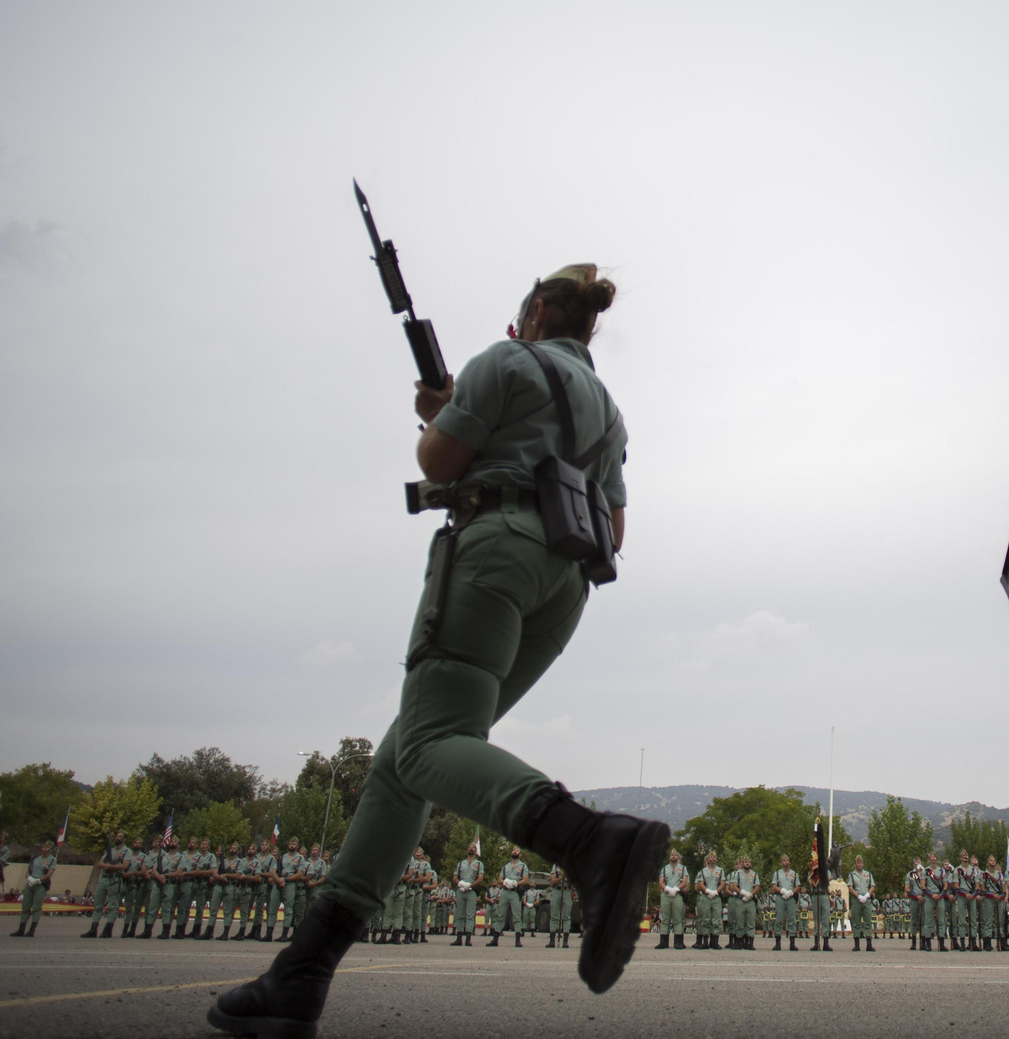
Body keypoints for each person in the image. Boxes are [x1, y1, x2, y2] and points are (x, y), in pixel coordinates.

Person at [209, 265, 670, 1037]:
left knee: (427, 743)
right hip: (563, 589)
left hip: (494, 552)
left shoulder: (503, 359)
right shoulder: (610, 412)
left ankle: (592, 840)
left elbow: (438, 463)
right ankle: (301, 973)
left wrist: (441, 414)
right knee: (407, 759)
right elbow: (615, 533)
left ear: (535, 311)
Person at [84, 830, 133, 939]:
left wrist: (111, 867)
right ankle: (93, 928)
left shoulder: (127, 851)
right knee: (98, 905)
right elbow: (100, 863)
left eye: (121, 837)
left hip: (115, 880)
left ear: (124, 839)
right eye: (117, 836)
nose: (118, 838)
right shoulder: (110, 851)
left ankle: (108, 929)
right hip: (104, 879)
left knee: (113, 906)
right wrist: (106, 866)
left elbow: (125, 865)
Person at [11, 839, 56, 937]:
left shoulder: (52, 859)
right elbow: (28, 871)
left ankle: (31, 930)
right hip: (30, 883)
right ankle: (21, 929)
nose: (45, 849)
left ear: (51, 849)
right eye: (43, 847)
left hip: (40, 885)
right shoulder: (35, 858)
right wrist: (29, 878)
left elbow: (49, 873)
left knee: (36, 907)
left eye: (47, 847)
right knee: (25, 906)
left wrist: (39, 880)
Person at [493, 846, 531, 947]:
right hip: (505, 891)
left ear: (520, 854)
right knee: (500, 914)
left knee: (517, 916)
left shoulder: (523, 866)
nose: (515, 851)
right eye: (513, 850)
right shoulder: (506, 866)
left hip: (515, 892)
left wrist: (516, 883)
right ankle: (495, 938)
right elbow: (499, 879)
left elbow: (525, 880)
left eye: (517, 850)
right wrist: (504, 882)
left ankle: (518, 940)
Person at [657, 849, 689, 950]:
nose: (673, 856)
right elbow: (661, 882)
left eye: (675, 855)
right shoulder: (664, 868)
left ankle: (678, 942)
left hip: (677, 894)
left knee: (677, 918)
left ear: (678, 857)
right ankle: (663, 942)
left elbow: (685, 882)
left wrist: (676, 889)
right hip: (666, 894)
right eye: (672, 855)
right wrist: (666, 888)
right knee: (665, 918)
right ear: (669, 857)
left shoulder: (683, 868)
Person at [770, 853, 802, 951]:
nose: (786, 862)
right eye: (784, 860)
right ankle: (777, 943)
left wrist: (791, 893)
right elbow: (773, 885)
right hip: (780, 897)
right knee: (778, 919)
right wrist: (782, 891)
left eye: (787, 860)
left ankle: (792, 943)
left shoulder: (794, 874)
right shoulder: (777, 873)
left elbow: (798, 886)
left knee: (791, 920)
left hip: (791, 898)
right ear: (781, 862)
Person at [845, 855, 875, 952]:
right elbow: (850, 888)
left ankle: (869, 944)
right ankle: (856, 944)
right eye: (857, 863)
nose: (859, 864)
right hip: (856, 900)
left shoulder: (868, 874)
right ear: (855, 864)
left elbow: (872, 886)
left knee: (868, 922)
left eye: (860, 862)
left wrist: (866, 895)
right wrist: (858, 896)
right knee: (856, 922)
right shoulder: (852, 875)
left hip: (866, 899)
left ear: (863, 863)